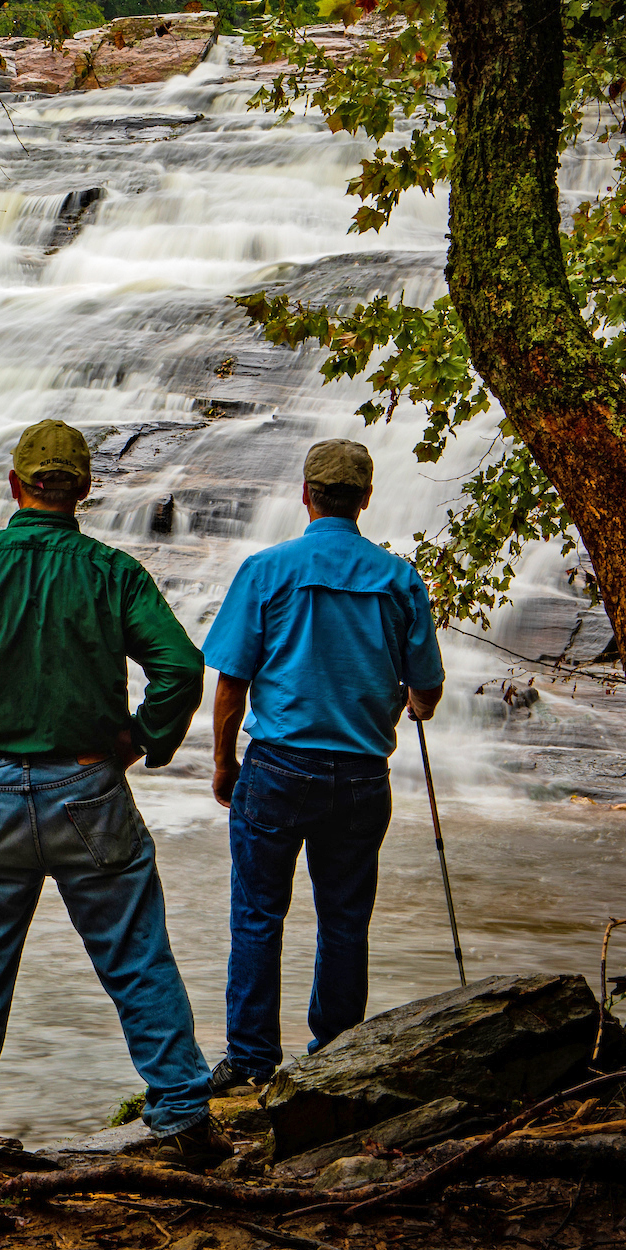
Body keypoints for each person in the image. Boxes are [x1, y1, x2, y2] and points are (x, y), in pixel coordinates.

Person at [0, 419, 230, 1165]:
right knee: (134, 953)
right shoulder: (112, 573)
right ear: (85, 491)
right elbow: (181, 668)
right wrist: (138, 739)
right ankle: (182, 1110)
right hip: (88, 788)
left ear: (15, 486)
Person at [199, 438, 446, 1095]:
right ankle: (335, 1053)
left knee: (257, 916)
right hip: (362, 776)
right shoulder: (398, 579)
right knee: (344, 920)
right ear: (366, 499)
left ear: (305, 496)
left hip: (277, 768)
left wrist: (224, 765)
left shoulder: (266, 569)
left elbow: (231, 683)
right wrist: (413, 704)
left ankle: (250, 1061)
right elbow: (427, 688)